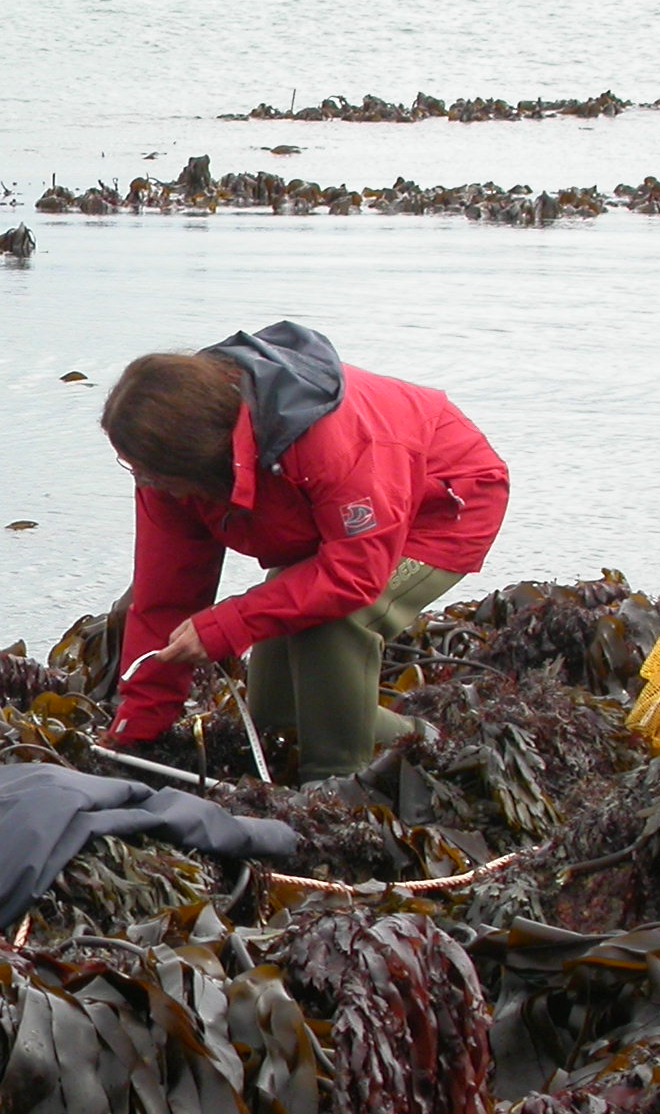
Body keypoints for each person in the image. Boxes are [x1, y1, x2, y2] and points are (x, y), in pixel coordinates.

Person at [101, 321, 510, 782]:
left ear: (199, 455)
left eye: (148, 473)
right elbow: (164, 599)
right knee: (278, 713)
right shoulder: (163, 472)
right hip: (329, 526)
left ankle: (338, 783)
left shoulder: (327, 440)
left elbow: (354, 574)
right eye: (132, 468)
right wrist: (135, 730)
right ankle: (422, 741)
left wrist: (224, 625)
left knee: (336, 626)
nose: (143, 483)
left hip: (442, 505)